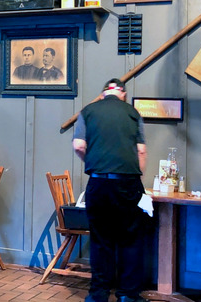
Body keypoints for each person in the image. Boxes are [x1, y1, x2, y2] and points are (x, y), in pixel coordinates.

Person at [72, 78, 149, 302]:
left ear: (104, 92)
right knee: (131, 238)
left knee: (100, 239)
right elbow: (141, 151)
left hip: (98, 181)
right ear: (122, 93)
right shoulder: (133, 113)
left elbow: (78, 145)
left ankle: (98, 295)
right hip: (128, 183)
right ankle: (128, 295)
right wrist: (137, 175)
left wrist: (93, 162)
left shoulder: (87, 111)